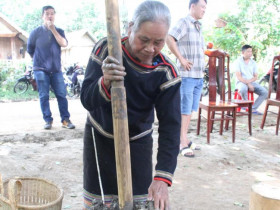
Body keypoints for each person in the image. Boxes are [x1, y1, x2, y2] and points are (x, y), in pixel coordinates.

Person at [80, 1, 181, 209]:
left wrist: (162, 177)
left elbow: (171, 127)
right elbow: (87, 100)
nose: (150, 48)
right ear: (130, 27)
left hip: (137, 142)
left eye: (159, 42)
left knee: (137, 202)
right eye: (144, 39)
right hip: (99, 136)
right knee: (99, 202)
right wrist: (105, 81)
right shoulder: (106, 49)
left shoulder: (166, 73)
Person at [166, 0, 207, 158]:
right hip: (187, 75)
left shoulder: (198, 26)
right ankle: (181, 143)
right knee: (184, 110)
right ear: (193, 6)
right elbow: (170, 38)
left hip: (198, 75)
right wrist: (181, 59)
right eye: (202, 7)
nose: (204, 10)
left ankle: (185, 138)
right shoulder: (184, 22)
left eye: (205, 7)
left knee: (190, 110)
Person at [27, 5, 75, 130]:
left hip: (56, 70)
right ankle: (47, 120)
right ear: (42, 16)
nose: (50, 16)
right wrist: (39, 62)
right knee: (44, 96)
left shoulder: (59, 30)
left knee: (61, 94)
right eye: (47, 13)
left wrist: (53, 30)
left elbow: (64, 44)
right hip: (40, 70)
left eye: (52, 13)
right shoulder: (35, 32)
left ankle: (65, 120)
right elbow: (30, 50)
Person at [234, 45, 268, 115]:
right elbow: (239, 76)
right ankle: (245, 104)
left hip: (252, 82)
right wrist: (248, 84)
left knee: (265, 92)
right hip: (241, 82)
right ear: (243, 52)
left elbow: (255, 77)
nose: (250, 53)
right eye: (248, 51)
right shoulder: (238, 62)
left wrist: (250, 83)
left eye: (251, 51)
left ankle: (252, 108)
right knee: (243, 89)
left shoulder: (253, 63)